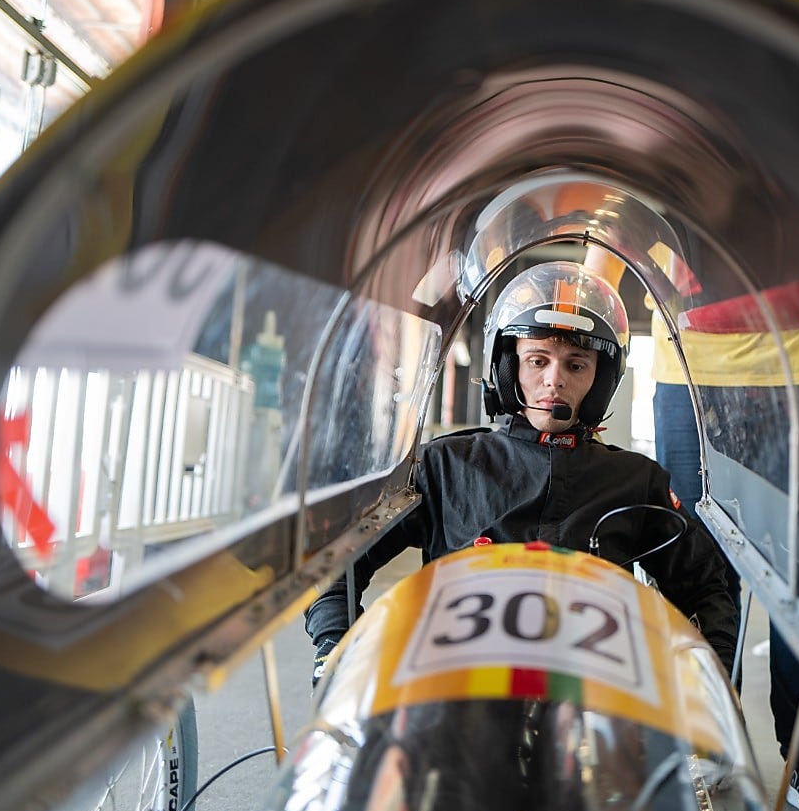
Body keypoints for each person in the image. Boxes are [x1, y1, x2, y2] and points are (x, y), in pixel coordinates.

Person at [306, 261, 740, 687]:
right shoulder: (445, 466)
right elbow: (338, 560)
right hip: (455, 697)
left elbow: (706, 586)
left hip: (593, 705)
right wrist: (336, 649)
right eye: (537, 361)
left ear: (600, 380)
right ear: (507, 368)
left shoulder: (636, 480)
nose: (555, 381)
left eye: (575, 365)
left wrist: (708, 681)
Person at [589, 246, 799, 811]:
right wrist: (577, 326)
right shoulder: (674, 152)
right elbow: (613, 218)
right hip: (694, 374)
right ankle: (702, 745)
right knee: (696, 575)